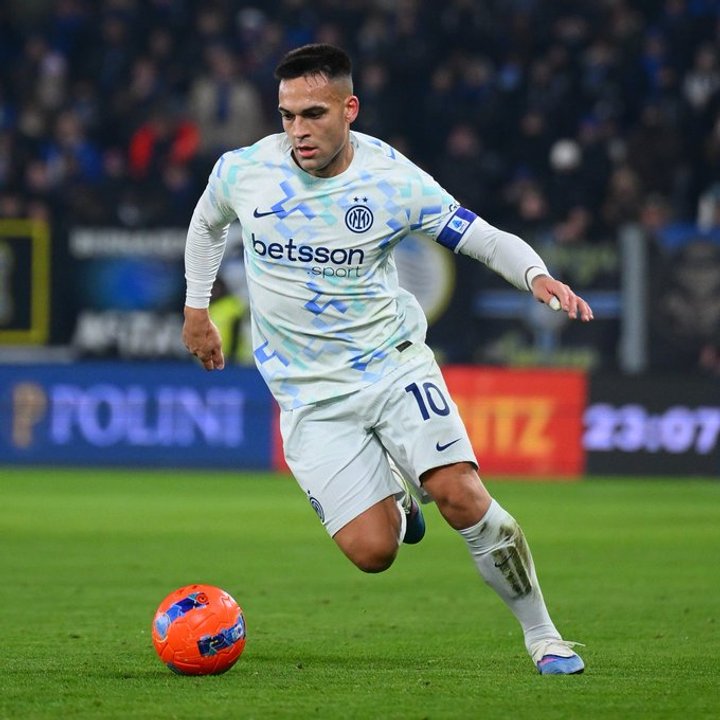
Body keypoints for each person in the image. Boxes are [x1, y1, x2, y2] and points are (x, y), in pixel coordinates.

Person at [182, 44, 593, 675]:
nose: (297, 131)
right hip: (308, 396)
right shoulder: (245, 170)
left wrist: (535, 274)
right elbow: (207, 224)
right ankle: (399, 502)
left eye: (313, 114)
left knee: (459, 495)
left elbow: (480, 236)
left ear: (349, 109)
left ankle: (544, 637)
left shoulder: (392, 182)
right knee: (373, 552)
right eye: (287, 116)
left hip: (391, 365)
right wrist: (196, 307)